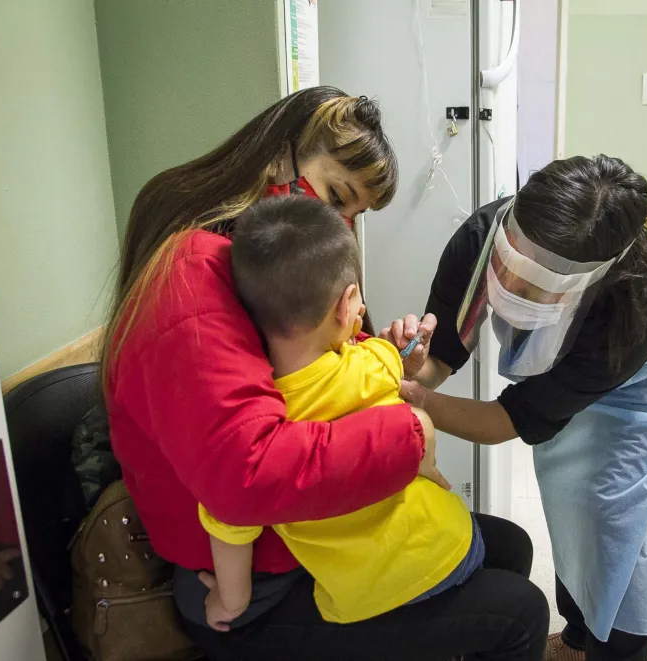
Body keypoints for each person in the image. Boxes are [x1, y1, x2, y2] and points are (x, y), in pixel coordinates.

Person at [104, 86, 548, 660]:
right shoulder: (193, 276)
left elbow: (319, 378)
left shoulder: (258, 272)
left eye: (351, 215)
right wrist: (410, 434)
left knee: (507, 546)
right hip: (252, 583)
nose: (337, 225)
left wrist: (389, 359)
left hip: (298, 541)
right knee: (520, 613)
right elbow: (248, 473)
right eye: (336, 196)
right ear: (278, 156)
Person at [388, 155, 647, 661]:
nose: (511, 289)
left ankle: (619, 651)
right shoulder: (479, 237)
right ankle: (580, 637)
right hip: (587, 354)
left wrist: (415, 399)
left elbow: (507, 421)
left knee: (614, 513)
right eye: (508, 264)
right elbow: (444, 357)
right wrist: (413, 370)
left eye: (537, 285)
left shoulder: (631, 305)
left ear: (588, 280)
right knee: (568, 497)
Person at [198, 195, 484, 630]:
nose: (363, 312)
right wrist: (405, 360)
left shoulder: (253, 425)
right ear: (345, 304)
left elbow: (230, 519)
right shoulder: (375, 361)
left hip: (363, 594)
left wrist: (230, 602)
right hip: (449, 544)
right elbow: (403, 373)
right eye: (358, 303)